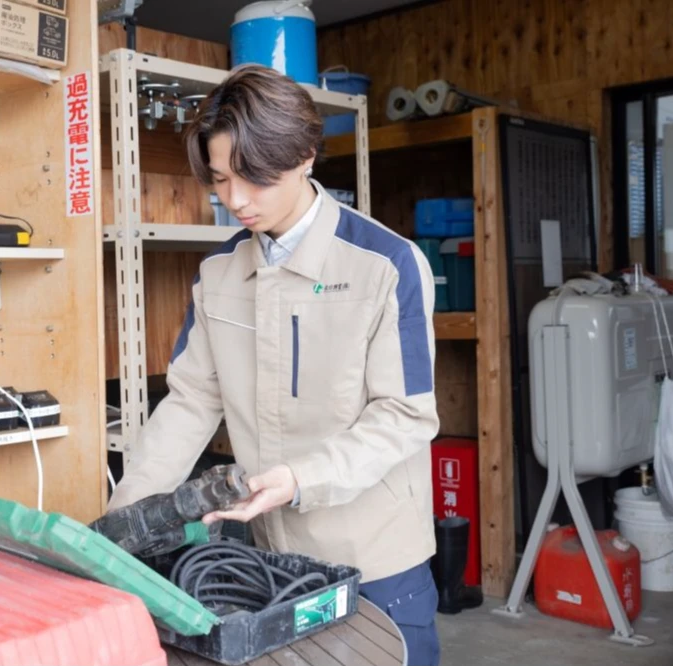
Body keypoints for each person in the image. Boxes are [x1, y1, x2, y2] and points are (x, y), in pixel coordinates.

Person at [106, 64, 441, 666]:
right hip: (269, 563)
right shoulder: (218, 274)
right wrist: (120, 526)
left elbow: (405, 415)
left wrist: (299, 478)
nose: (236, 200)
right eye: (221, 179)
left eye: (255, 178)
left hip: (377, 563)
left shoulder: (385, 265)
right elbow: (190, 403)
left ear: (306, 155)